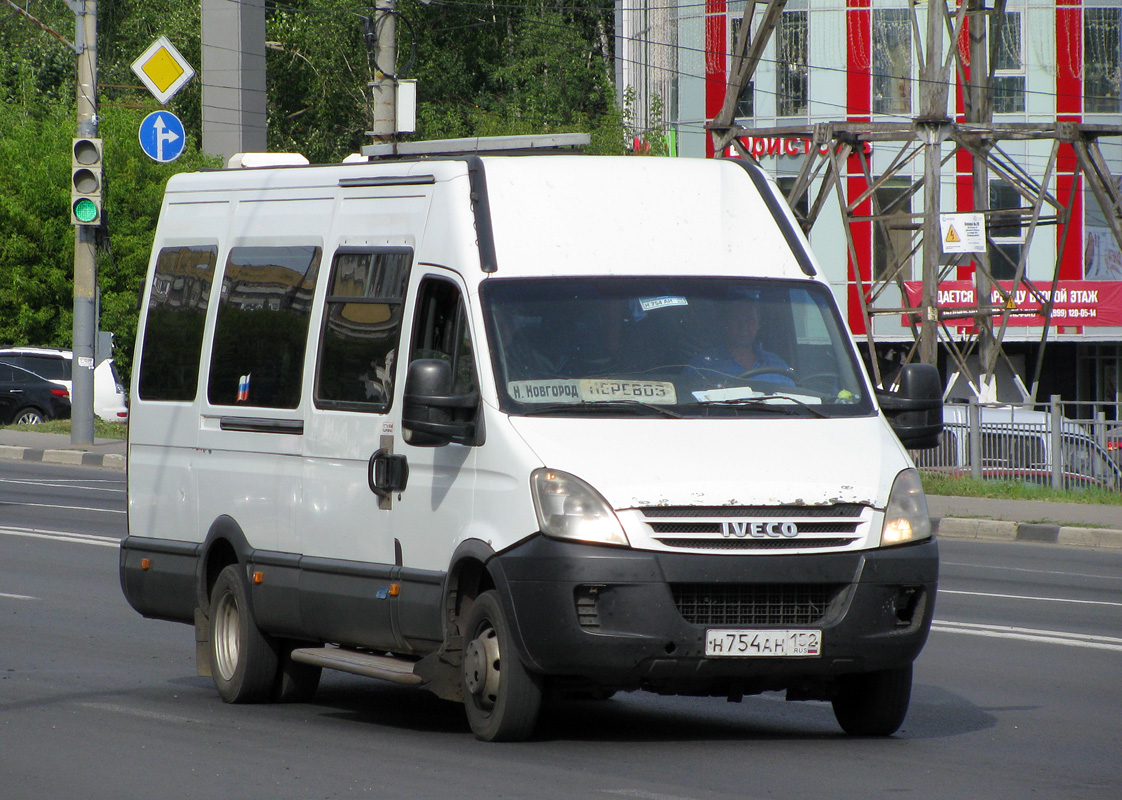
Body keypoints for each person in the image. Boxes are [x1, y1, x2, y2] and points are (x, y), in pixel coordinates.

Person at [690, 301, 794, 385]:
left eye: (750, 321)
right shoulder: (703, 366)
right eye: (737, 320)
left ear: (758, 326)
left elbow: (794, 399)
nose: (744, 328)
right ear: (725, 324)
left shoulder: (775, 363)